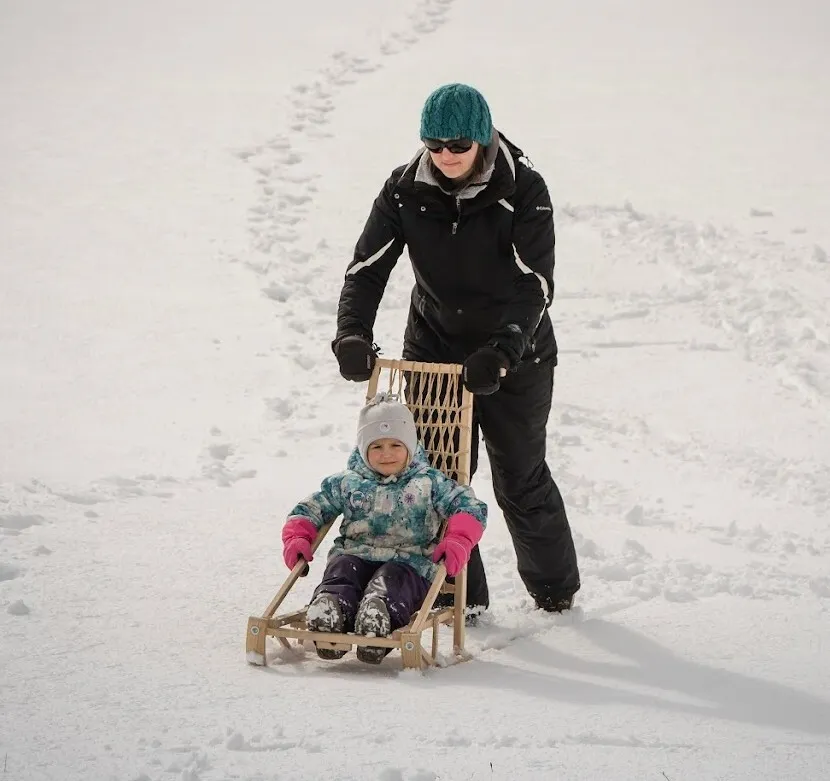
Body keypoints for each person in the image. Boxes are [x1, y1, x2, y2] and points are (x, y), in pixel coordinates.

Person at [331, 82, 580, 616]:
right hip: (436, 347)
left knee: (520, 475)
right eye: (434, 145)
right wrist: (352, 333)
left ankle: (555, 593)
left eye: (457, 146)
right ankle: (458, 595)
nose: (445, 156)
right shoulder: (403, 189)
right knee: (437, 478)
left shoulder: (525, 189)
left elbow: (536, 283)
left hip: (517, 353)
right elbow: (366, 270)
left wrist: (503, 350)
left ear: (482, 140)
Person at [281, 393, 487, 664]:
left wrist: (458, 539)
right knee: (342, 569)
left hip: (409, 563)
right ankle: (332, 610)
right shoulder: (348, 482)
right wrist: (298, 536)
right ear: (363, 448)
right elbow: (310, 509)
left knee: (391, 579)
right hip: (355, 554)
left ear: (410, 446)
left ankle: (380, 616)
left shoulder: (428, 482)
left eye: (395, 445)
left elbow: (469, 506)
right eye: (376, 446)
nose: (386, 454)